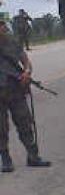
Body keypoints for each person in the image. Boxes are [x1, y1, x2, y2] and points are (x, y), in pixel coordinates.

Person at [0, 19, 51, 172]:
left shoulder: (12, 42)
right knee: (1, 128)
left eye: (2, 25)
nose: (3, 28)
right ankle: (6, 159)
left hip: (16, 89)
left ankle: (33, 156)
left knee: (25, 123)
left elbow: (26, 61)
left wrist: (27, 73)